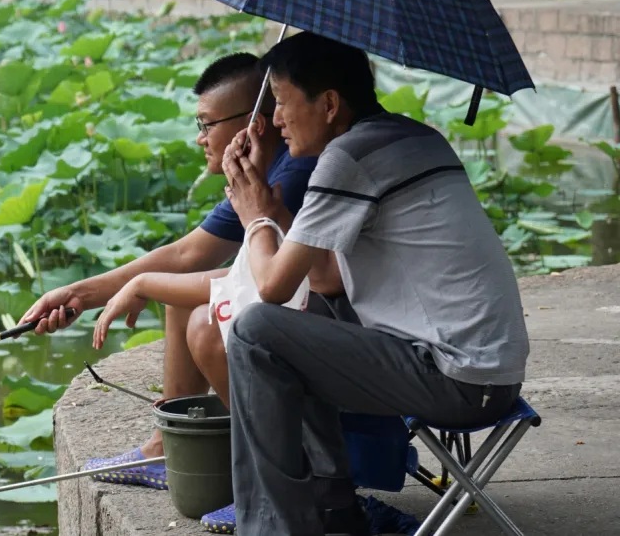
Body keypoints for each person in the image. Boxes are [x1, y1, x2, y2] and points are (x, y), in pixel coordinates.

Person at [218, 32, 529, 535]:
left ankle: (276, 527)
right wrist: (271, 210)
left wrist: (254, 218)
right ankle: (333, 510)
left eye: (281, 102)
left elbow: (272, 288)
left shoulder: (349, 158)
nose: (275, 120)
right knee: (305, 315)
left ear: (329, 104)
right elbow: (325, 280)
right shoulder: (410, 136)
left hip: (458, 380)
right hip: (489, 373)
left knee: (255, 333)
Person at [20, 52, 317, 489]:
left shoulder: (289, 178)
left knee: (202, 321)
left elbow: (264, 283)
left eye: (206, 124)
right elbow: (187, 255)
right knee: (180, 293)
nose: (200, 138)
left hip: (323, 321)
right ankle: (165, 447)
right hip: (293, 309)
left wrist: (144, 284)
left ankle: (268, 479)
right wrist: (79, 295)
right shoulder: (261, 171)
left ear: (252, 124)